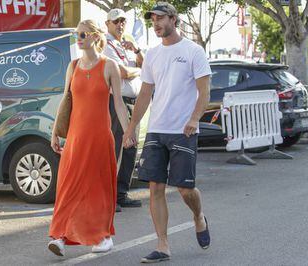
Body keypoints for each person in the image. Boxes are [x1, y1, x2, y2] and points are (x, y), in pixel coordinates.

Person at [123, 2, 212, 263]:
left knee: (185, 189)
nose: (156, 23)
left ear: (174, 19)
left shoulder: (193, 51)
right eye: (153, 20)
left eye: (160, 18)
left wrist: (195, 118)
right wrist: (130, 128)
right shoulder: (152, 54)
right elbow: (144, 94)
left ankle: (198, 217)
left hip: (183, 129)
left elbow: (204, 91)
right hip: (157, 129)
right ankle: (162, 245)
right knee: (155, 188)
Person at [48, 19, 132, 256]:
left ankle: (103, 236)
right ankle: (59, 236)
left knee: (98, 189)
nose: (79, 38)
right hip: (75, 139)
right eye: (77, 34)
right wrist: (55, 132)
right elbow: (65, 101)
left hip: (99, 138)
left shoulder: (109, 66)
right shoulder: (72, 66)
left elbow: (118, 104)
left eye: (83, 34)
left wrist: (128, 131)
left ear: (95, 37)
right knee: (67, 188)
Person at [104, 8, 143, 210]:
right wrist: (138, 71)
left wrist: (136, 51)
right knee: (117, 147)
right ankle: (110, 196)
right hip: (117, 101)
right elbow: (124, 72)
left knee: (131, 147)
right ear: (107, 24)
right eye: (116, 21)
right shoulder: (106, 44)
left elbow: (146, 65)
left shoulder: (126, 44)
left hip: (133, 102)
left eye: (123, 21)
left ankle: (121, 193)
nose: (120, 24)